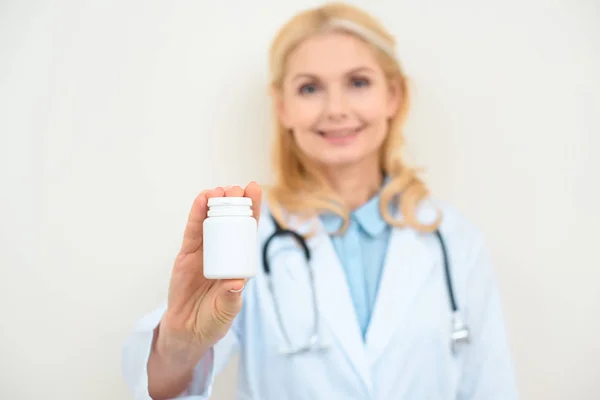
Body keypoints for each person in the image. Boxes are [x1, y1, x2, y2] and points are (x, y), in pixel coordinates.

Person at [121, 3, 519, 399]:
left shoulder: (455, 240)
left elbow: (491, 387)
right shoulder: (248, 239)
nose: (336, 110)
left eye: (358, 82)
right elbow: (160, 387)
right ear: (283, 108)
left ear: (393, 95)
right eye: (309, 88)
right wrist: (179, 342)